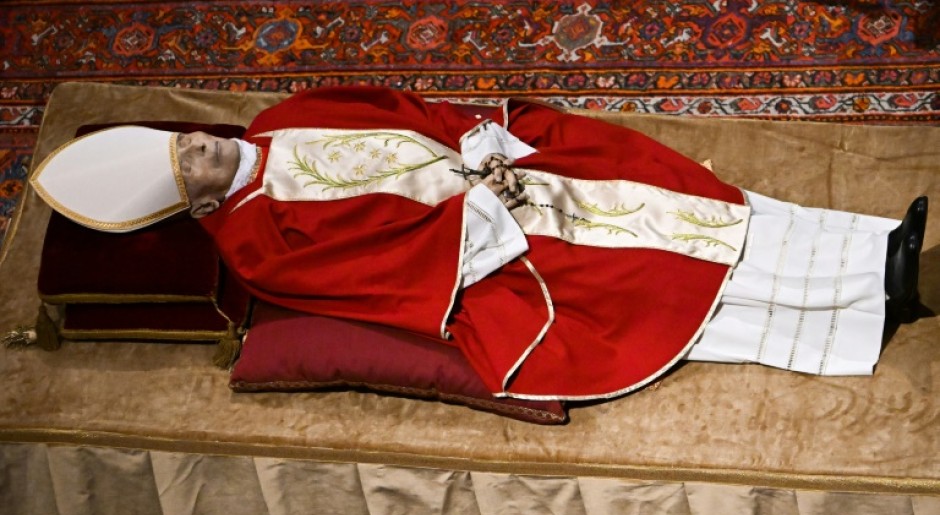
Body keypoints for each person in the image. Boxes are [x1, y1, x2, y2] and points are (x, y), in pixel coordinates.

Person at [30, 87, 928, 401]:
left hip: (494, 174)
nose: (203, 146)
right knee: (648, 274)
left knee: (660, 186)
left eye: (189, 138)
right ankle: (869, 299)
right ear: (194, 202)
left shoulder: (280, 118)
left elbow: (401, 111)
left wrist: (481, 146)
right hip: (486, 256)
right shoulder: (254, 243)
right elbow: (376, 276)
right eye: (191, 163)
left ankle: (876, 245)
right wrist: (487, 210)